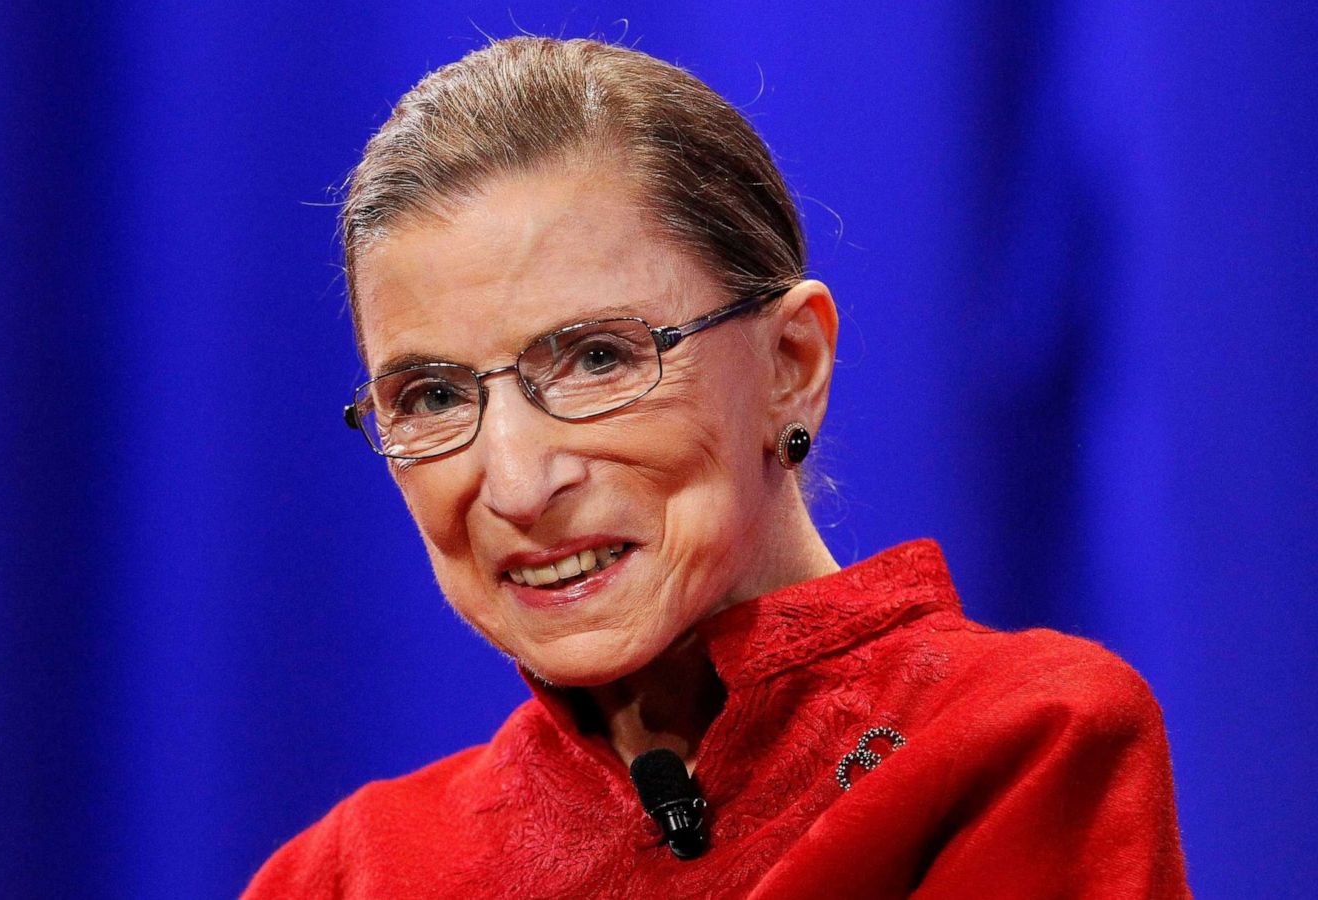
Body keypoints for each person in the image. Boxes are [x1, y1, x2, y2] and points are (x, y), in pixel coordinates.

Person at [244, 36, 1188, 898]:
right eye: (434, 397)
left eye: (597, 359)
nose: (519, 484)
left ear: (791, 367)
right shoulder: (344, 874)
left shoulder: (1018, 744)